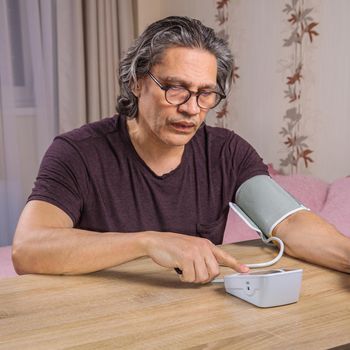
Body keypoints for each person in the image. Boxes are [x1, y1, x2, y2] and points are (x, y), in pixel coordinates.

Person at [12, 16, 350, 283]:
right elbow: (28, 249)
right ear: (136, 81)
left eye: (206, 93)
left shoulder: (227, 153)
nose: (191, 108)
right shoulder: (77, 152)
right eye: (176, 89)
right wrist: (147, 243)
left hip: (193, 320)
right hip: (101, 322)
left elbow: (292, 225)